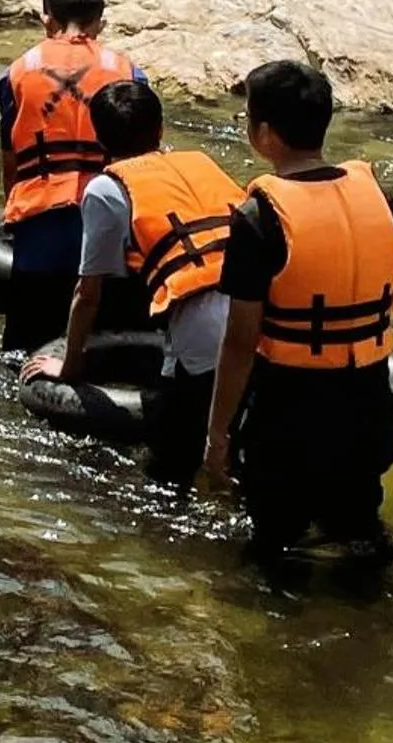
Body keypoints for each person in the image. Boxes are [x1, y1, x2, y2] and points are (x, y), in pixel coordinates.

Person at [203, 59, 393, 563]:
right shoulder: (377, 196)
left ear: (264, 133)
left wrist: (217, 435)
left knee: (275, 548)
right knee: (359, 533)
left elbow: (241, 340)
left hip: (289, 411)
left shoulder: (257, 216)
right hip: (368, 403)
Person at [20, 79, 243, 488]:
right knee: (238, 446)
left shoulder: (106, 189)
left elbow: (88, 294)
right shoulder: (200, 163)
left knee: (169, 471)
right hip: (263, 319)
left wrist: (70, 367)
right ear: (160, 129)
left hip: (202, 336)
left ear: (100, 139)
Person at [0, 0, 137, 353]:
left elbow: (12, 156)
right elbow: (143, 158)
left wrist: (10, 214)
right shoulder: (127, 70)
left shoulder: (16, 72)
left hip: (40, 222)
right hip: (107, 220)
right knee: (104, 344)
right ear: (100, 22)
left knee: (22, 348)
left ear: (47, 19)